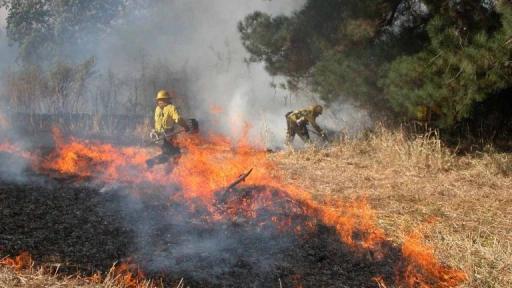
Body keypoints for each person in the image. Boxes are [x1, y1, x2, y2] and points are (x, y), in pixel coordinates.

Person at [145, 90, 191, 170]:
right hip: (169, 135)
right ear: (166, 99)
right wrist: (185, 126)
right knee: (175, 154)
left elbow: (156, 122)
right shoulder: (171, 108)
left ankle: (159, 165)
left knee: (167, 154)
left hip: (158, 136)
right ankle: (155, 162)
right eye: (168, 99)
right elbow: (178, 119)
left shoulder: (157, 109)